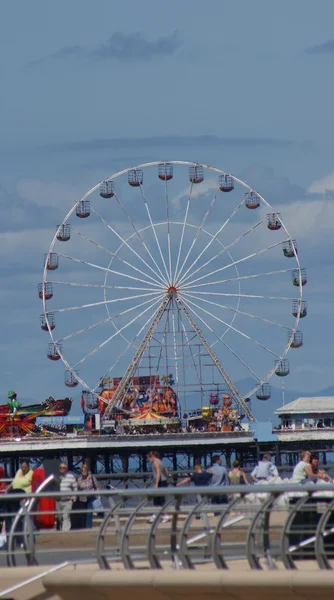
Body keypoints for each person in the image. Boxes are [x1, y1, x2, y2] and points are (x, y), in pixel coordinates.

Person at [147, 451, 169, 524]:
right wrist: (167, 479)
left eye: (149, 458)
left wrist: (156, 483)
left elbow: (158, 473)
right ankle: (156, 515)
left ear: (152, 456)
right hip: (164, 481)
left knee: (157, 500)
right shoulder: (161, 462)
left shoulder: (155, 462)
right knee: (161, 499)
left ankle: (161, 516)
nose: (149, 460)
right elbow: (166, 472)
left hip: (159, 482)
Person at [74, 464, 99, 529]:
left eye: (85, 470)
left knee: (89, 513)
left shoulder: (92, 477)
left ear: (87, 470)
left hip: (91, 497)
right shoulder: (79, 479)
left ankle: (88, 528)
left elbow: (97, 487)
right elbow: (77, 489)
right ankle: (83, 527)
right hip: (82, 498)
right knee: (83, 513)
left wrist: (97, 495)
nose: (83, 471)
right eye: (82, 470)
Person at [56, 462, 77, 531]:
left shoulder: (71, 477)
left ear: (66, 469)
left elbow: (75, 488)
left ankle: (65, 533)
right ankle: (61, 531)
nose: (62, 469)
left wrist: (73, 499)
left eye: (64, 468)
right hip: (58, 501)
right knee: (59, 517)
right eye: (60, 467)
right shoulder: (56, 477)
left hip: (68, 501)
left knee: (66, 516)